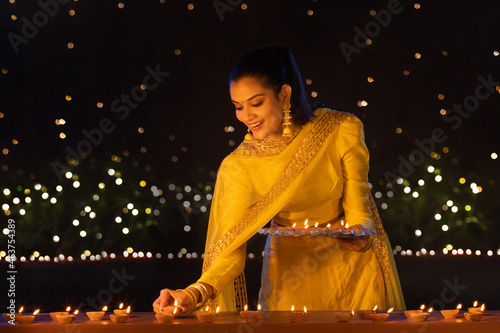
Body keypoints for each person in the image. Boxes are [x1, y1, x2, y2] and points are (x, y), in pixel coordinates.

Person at [153, 44, 405, 314]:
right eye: (238, 107)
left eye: (256, 103)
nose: (246, 116)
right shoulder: (240, 165)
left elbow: (359, 199)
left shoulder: (340, 128)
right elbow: (229, 250)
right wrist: (194, 293)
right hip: (289, 274)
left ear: (284, 94)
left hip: (352, 269)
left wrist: (361, 233)